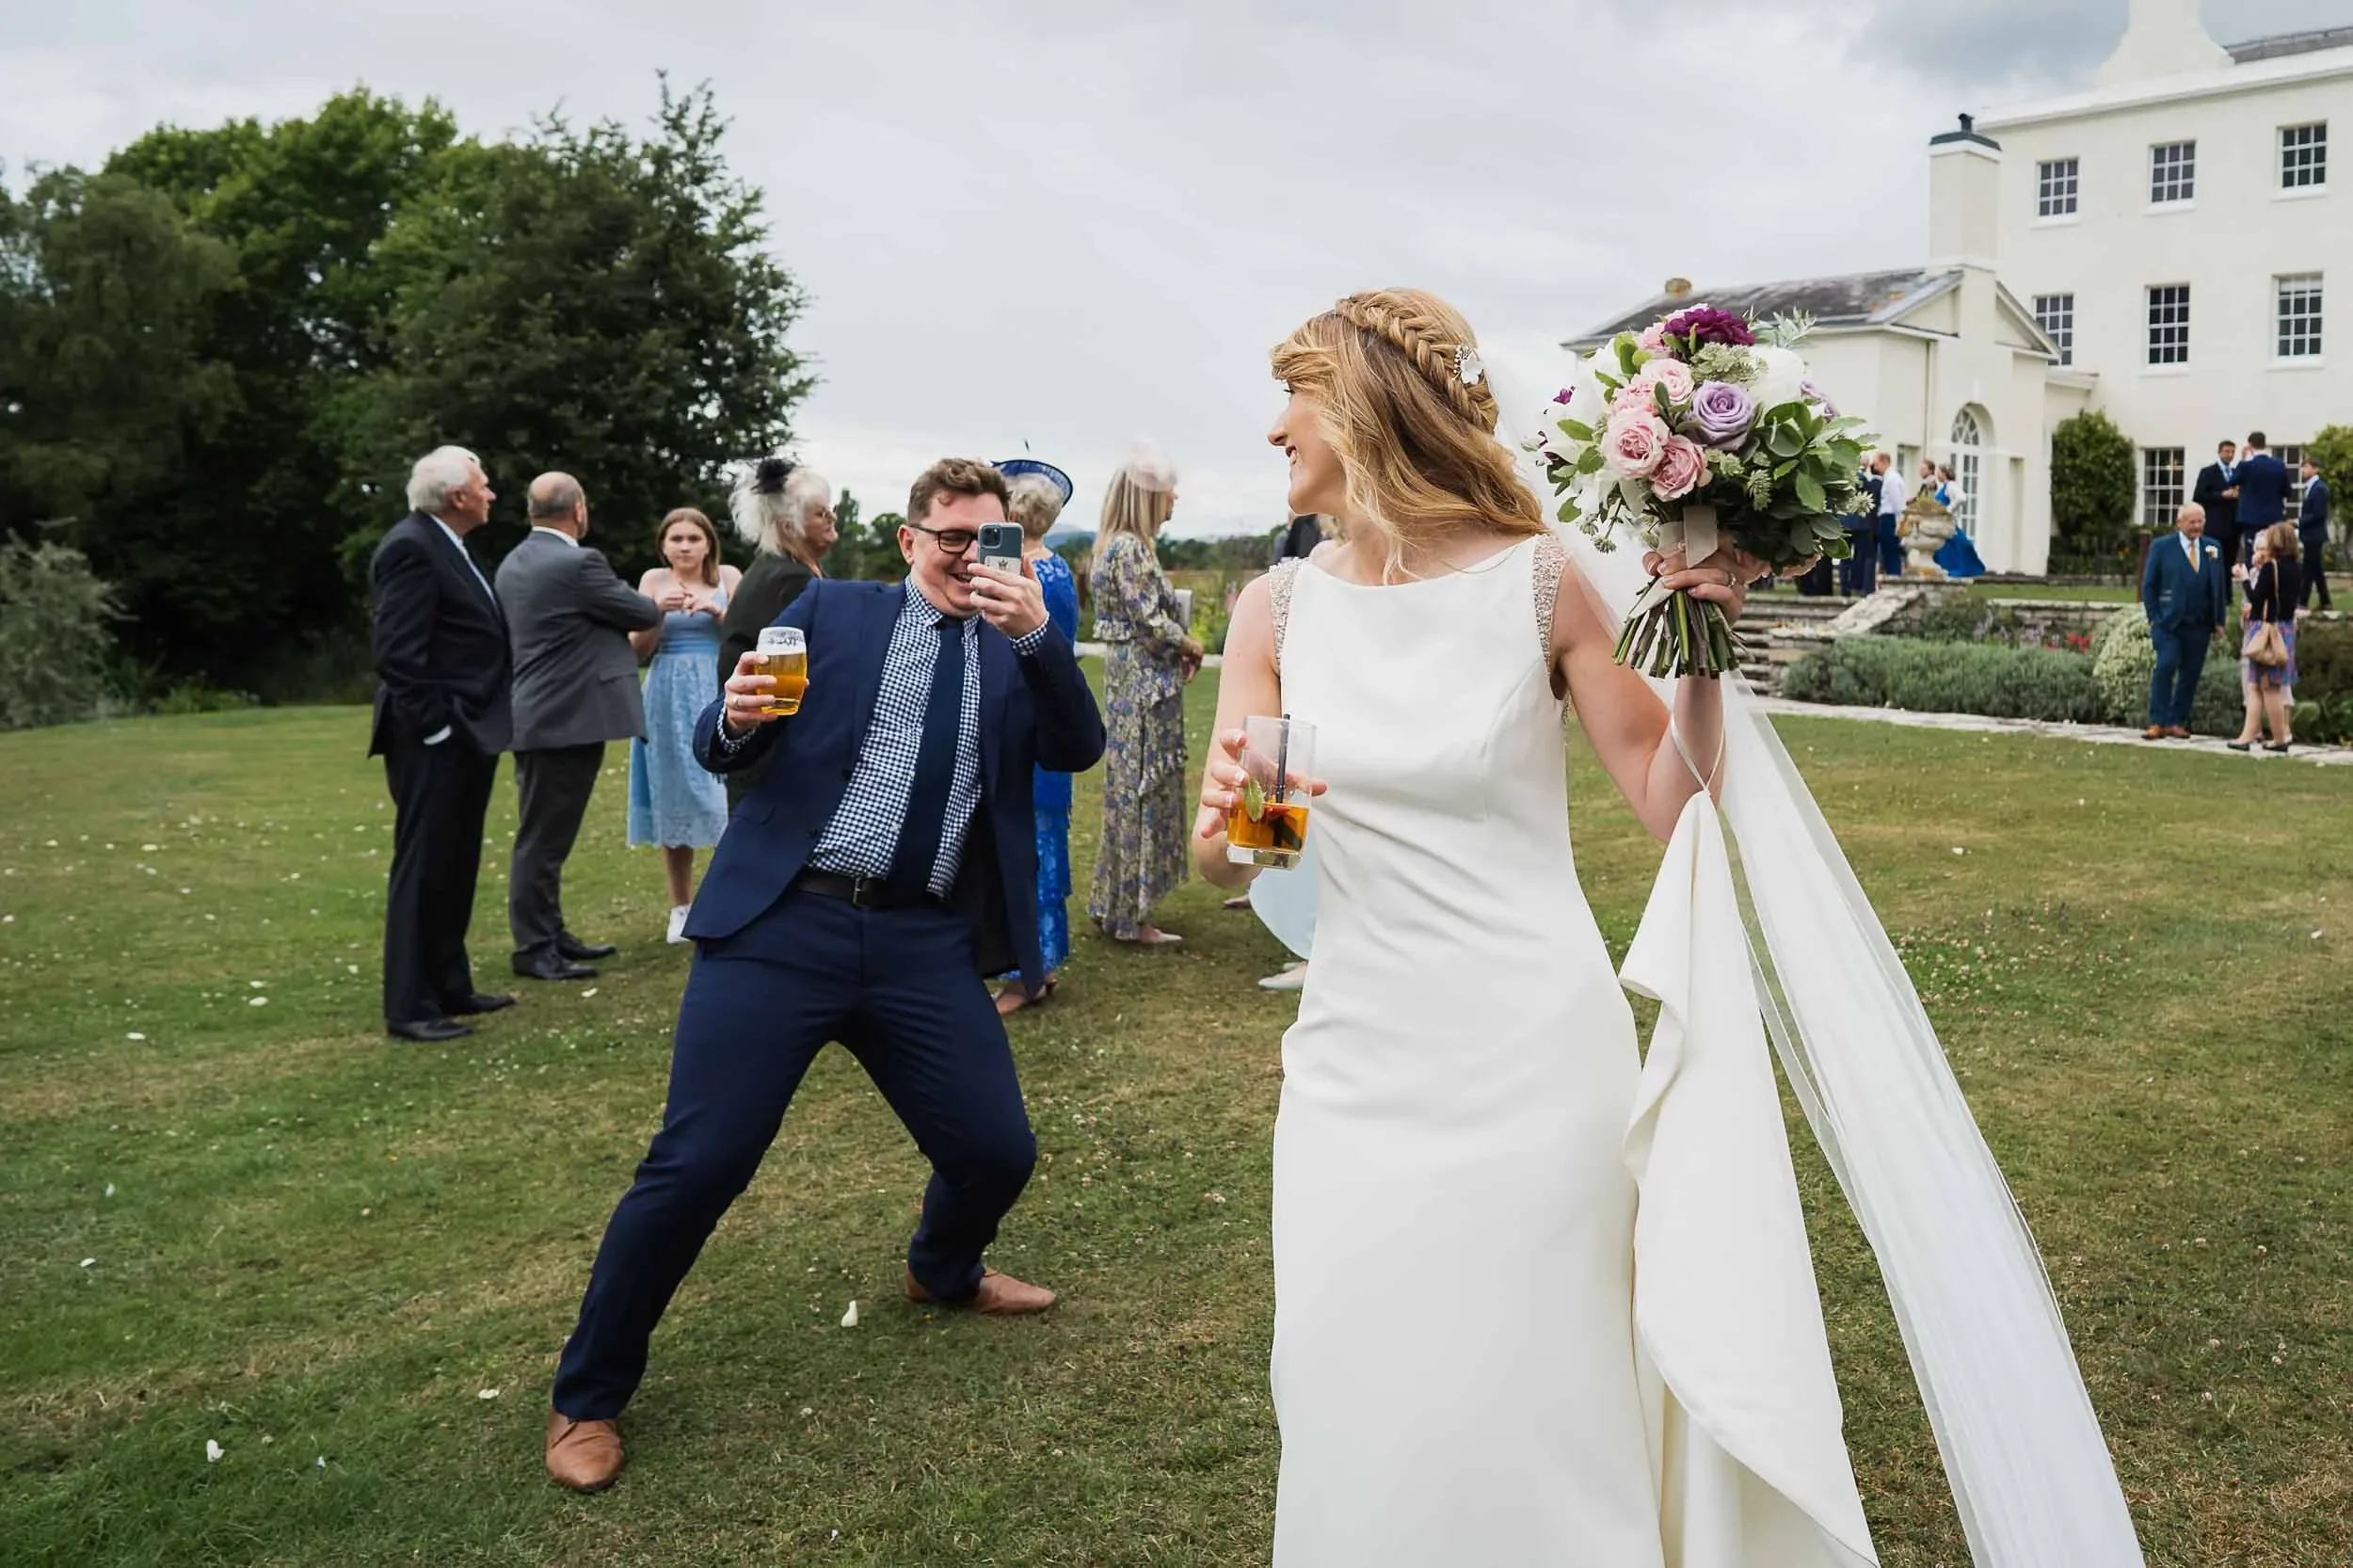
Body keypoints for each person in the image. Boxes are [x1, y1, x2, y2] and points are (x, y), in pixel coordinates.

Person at [1190, 288, 2145, 1565]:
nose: (1272, 427)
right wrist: (1227, 829)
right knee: (1347, 1375)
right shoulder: (1279, 612)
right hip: (1356, 1065)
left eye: (1292, 393)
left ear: (1364, 403)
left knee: (1537, 1385)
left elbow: (1669, 798)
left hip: (1532, 1063)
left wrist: (1703, 647)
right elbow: (1255, 856)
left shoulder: (1537, 586)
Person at [542, 457, 1105, 1493]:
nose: (970, 561)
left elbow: (1077, 745)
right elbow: (721, 739)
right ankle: (587, 1395)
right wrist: (738, 718)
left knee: (996, 1151)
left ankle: (942, 1270)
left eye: (994, 544)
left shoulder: (1016, 644)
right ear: (907, 540)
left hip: (920, 942)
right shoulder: (832, 609)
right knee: (698, 1164)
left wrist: (1034, 632)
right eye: (951, 540)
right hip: (782, 923)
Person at [367, 446, 514, 1044]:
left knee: (455, 863)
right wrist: (437, 727)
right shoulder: (411, 547)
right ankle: (410, 1006)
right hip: (433, 736)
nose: (491, 494)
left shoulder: (450, 544)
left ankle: (450, 984)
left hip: (468, 731)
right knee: (424, 866)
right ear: (457, 497)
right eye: (483, 485)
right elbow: (398, 654)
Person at [496, 472, 661, 983]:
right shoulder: (577, 562)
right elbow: (641, 609)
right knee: (544, 841)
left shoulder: (513, 562)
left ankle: (550, 932)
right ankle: (535, 948)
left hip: (534, 713)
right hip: (566, 718)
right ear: (579, 510)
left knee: (542, 836)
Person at [1087, 443, 1202, 948]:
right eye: (1168, 488)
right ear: (1147, 496)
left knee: (1126, 792)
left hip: (1128, 683)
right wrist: (1187, 641)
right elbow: (1149, 622)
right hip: (1143, 687)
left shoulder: (1114, 546)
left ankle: (1112, 902)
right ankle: (1131, 915)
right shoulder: (1129, 549)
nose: (1175, 496)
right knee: (1140, 792)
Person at [628, 508, 742, 944]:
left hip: (716, 688)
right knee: (674, 795)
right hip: (666, 694)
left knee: (723, 799)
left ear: (708, 543)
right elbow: (637, 651)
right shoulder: (652, 582)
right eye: (676, 539)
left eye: (694, 538)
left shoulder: (728, 577)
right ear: (663, 546)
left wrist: (717, 614)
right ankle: (681, 906)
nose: (685, 546)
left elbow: (751, 635)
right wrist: (655, 613)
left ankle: (729, 898)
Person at [993, 456, 1081, 1016]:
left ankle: (1029, 969)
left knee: (1027, 845)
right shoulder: (1061, 569)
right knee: (1041, 840)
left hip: (1021, 718)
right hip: (1047, 714)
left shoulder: (1022, 576)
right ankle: (1035, 962)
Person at [716, 456, 836, 809]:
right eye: (820, 513)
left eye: (829, 510)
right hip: (776, 761)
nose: (832, 518)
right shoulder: (789, 580)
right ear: (789, 526)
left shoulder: (784, 570)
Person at [2139, 500, 2229, 740]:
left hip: (2199, 624)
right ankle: (2157, 721)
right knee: (2166, 665)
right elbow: (2149, 585)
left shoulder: (2212, 548)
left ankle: (2175, 721)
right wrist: (2154, 616)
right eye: (2192, 522)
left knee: (2190, 673)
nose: (2196, 526)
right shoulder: (2162, 547)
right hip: (2168, 623)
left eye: (2200, 521)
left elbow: (2218, 586)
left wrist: (2219, 620)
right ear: (2179, 523)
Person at [2230, 523, 2301, 752]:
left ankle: (2257, 738)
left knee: (2262, 686)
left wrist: (2243, 578)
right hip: (2286, 630)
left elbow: (2256, 598)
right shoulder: (2296, 567)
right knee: (2269, 685)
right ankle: (2275, 738)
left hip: (2267, 631)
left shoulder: (2272, 567)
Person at [2234, 431, 2293, 568]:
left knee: (2252, 553)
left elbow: (2233, 480)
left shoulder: (2246, 466)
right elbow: (2287, 491)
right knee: (2274, 550)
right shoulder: (2279, 465)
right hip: (2273, 516)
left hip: (2251, 518)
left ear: (2250, 445)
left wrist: (2244, 459)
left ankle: (2253, 585)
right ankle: (2272, 581)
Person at [1838, 454, 1885, 596]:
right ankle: (1858, 586)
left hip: (1845, 522)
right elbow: (1873, 495)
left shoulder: (1844, 478)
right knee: (1861, 557)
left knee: (1844, 558)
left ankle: (1845, 588)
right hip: (1861, 523)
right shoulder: (1865, 480)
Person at [2192, 439, 2241, 571]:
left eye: (2232, 452)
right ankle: (2211, 591)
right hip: (2213, 528)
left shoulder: (2236, 472)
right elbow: (2198, 496)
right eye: (2227, 451)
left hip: (2232, 528)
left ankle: (2226, 592)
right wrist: (2221, 495)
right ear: (2219, 452)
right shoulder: (2208, 472)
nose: (2230, 455)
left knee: (2229, 564)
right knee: (2211, 562)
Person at [1931, 463, 1987, 578]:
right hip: (1941, 524)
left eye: (1939, 472)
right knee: (1945, 549)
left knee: (1959, 546)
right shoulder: (1943, 487)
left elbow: (1961, 497)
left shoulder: (1951, 486)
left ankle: (1960, 570)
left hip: (1948, 524)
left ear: (1944, 473)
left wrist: (1948, 510)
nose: (1937, 474)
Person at [2297, 456, 2331, 610]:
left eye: (2306, 467)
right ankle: (2325, 601)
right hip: (2309, 534)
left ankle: (2302, 602)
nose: (2303, 471)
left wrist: (2299, 521)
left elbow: (2318, 513)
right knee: (2316, 569)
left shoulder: (2319, 488)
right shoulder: (2311, 487)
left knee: (2308, 570)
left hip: (2314, 535)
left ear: (2315, 469)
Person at [1876, 454, 1910, 578]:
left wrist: (1898, 524)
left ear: (1885, 462)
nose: (1876, 467)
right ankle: (1891, 577)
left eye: (1877, 464)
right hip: (1887, 518)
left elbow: (1897, 503)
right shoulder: (1889, 477)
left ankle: (1894, 578)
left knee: (1891, 552)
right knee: (1888, 552)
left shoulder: (1892, 479)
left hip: (1890, 519)